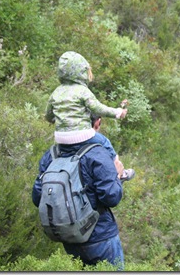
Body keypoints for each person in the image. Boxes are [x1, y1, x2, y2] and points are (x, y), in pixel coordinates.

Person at [32, 141, 126, 269]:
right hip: (101, 237)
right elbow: (112, 198)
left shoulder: (51, 155)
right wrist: (118, 176)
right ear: (96, 123)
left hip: (70, 236)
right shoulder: (97, 153)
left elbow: (37, 197)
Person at [45, 51, 133, 181]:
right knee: (105, 142)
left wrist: (59, 120)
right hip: (82, 136)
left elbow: (48, 115)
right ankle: (119, 172)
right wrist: (117, 112)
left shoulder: (56, 92)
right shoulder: (82, 91)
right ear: (81, 71)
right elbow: (97, 108)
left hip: (60, 139)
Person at [91, 114, 135, 182]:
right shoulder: (101, 140)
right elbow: (115, 160)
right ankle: (122, 175)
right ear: (97, 122)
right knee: (115, 161)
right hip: (96, 176)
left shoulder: (71, 136)